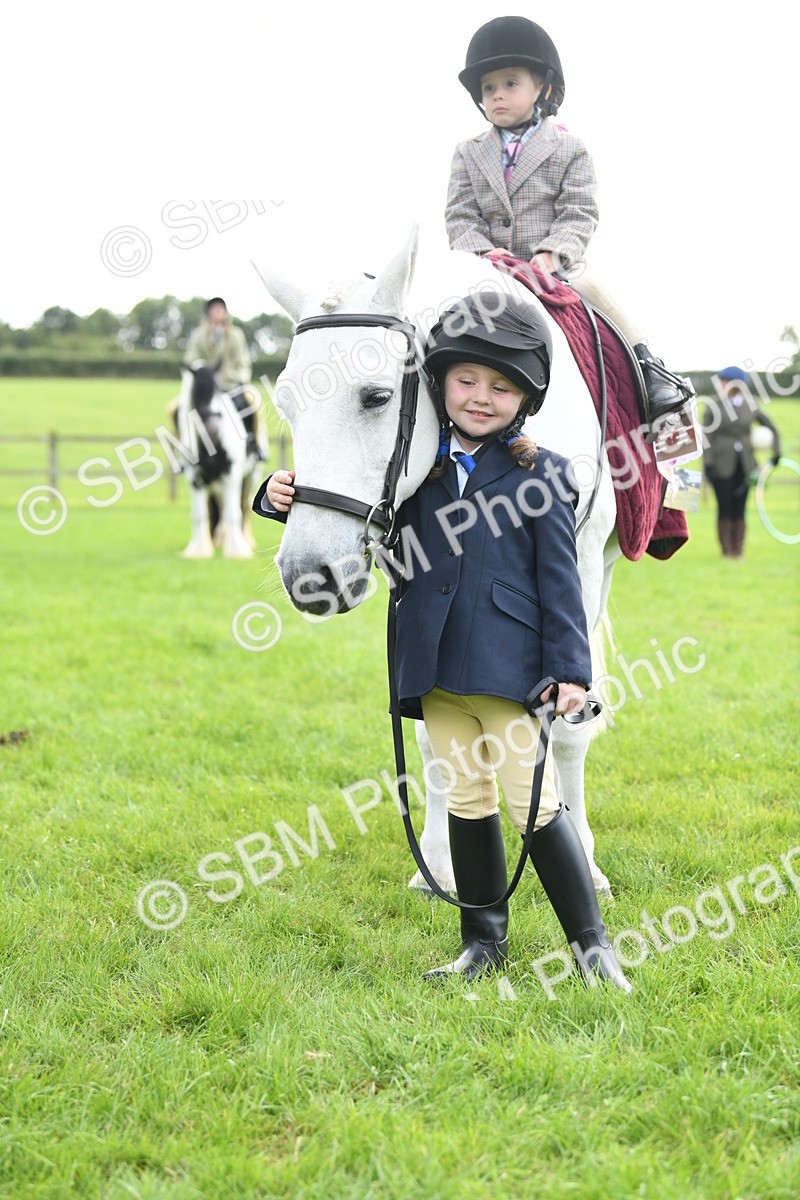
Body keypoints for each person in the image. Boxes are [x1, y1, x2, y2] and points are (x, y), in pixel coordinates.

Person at [259, 293, 631, 992]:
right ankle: (483, 943)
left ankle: (593, 948)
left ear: (525, 398)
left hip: (509, 672)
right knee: (466, 798)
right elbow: (353, 501)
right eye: (466, 381)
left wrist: (571, 674)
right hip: (436, 673)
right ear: (438, 384)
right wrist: (276, 495)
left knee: (535, 803)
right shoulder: (416, 476)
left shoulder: (543, 475)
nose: (480, 398)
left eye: (501, 386)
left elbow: (562, 589)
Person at [446, 15, 693, 428]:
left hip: (555, 269)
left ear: (542, 87)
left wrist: (550, 253)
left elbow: (579, 211)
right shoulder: (467, 152)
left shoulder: (569, 147)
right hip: (488, 267)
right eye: (488, 88)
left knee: (594, 287)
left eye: (509, 84)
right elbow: (459, 214)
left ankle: (650, 371)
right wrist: (486, 251)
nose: (497, 96)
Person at [702, 366, 781, 557]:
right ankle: (726, 549)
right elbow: (706, 437)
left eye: (725, 381)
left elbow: (770, 426)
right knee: (724, 506)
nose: (722, 384)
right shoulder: (713, 405)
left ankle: (738, 549)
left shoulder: (751, 404)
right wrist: (708, 464)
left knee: (740, 507)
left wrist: (776, 451)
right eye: (722, 381)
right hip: (720, 465)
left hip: (745, 465)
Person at [175, 297, 264, 460]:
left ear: (225, 313)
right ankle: (183, 449)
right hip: (206, 389)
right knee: (176, 409)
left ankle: (255, 444)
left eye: (220, 309)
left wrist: (241, 379)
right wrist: (199, 376)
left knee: (252, 403)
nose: (217, 312)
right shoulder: (199, 335)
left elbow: (243, 363)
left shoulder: (236, 335)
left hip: (230, 385)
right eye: (214, 309)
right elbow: (190, 360)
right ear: (208, 313)